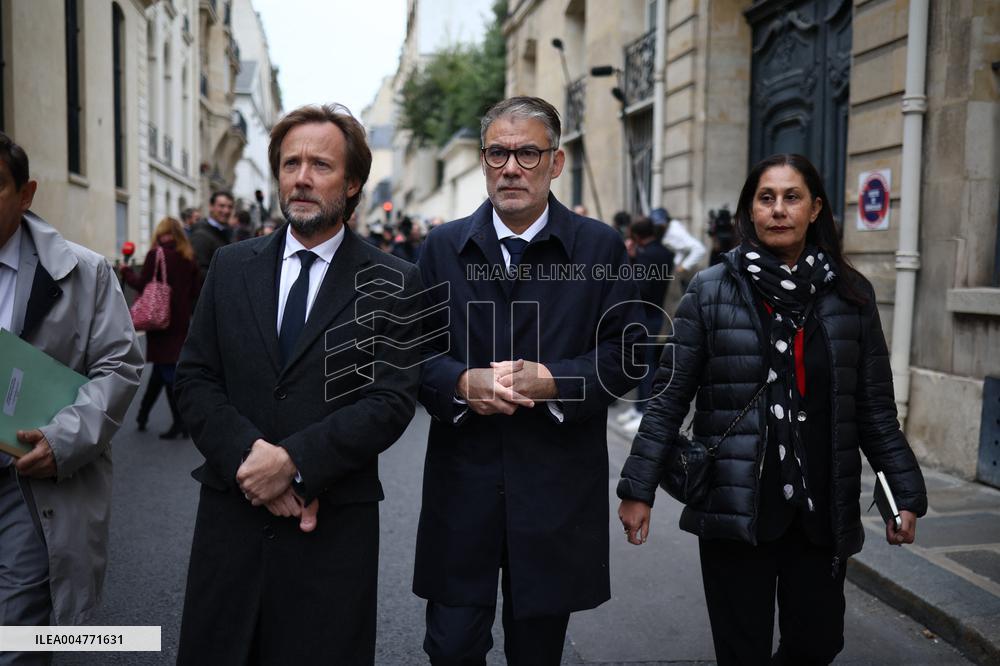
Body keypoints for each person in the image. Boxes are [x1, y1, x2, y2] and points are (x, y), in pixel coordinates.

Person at [617, 154, 928, 665]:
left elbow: (873, 407)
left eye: (791, 197)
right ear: (750, 211)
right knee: (742, 650)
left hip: (820, 509)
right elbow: (668, 399)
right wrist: (638, 488)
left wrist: (904, 493)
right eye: (766, 198)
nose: (778, 210)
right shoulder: (711, 290)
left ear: (814, 209)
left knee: (819, 641)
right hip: (736, 504)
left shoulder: (851, 296)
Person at [174, 103, 422, 664]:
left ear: (353, 181)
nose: (302, 177)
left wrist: (294, 463)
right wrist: (249, 457)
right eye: (290, 164)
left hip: (330, 533)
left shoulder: (396, 282)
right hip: (230, 523)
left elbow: (390, 401)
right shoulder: (232, 267)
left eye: (320, 165)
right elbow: (195, 378)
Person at [414, 96, 643, 664]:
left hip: (554, 488)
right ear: (484, 161)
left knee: (536, 652)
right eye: (497, 153)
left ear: (556, 163)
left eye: (527, 153)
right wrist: (461, 383)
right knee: (451, 648)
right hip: (463, 485)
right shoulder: (442, 248)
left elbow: (625, 357)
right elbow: (410, 353)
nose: (510, 167)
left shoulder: (600, 248)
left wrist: (555, 382)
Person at [0, 132, 142, 657]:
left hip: (27, 483)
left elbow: (120, 364)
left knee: (18, 636)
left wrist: (62, 441)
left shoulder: (84, 273)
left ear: (26, 193)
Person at [119, 217, 201, 439]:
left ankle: (181, 422)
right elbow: (194, 290)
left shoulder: (157, 255)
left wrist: (126, 272)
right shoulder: (188, 256)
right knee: (161, 368)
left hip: (160, 318)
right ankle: (143, 415)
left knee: (167, 370)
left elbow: (142, 284)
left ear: (161, 234)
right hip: (180, 319)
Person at [618, 216, 675, 434]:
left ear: (637, 236)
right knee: (644, 363)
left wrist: (630, 260)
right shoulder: (663, 251)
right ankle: (638, 407)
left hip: (646, 315)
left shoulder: (648, 255)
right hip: (654, 313)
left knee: (645, 365)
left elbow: (640, 287)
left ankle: (644, 411)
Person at [649, 206, 705, 282]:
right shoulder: (665, 231)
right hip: (677, 270)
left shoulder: (675, 231)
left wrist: (684, 266)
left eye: (659, 224)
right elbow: (680, 248)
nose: (657, 227)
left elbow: (699, 249)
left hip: (688, 274)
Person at [189, 190, 234, 275]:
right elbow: (200, 270)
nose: (226, 210)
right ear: (211, 207)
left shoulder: (228, 232)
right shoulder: (200, 235)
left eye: (230, 207)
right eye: (222, 206)